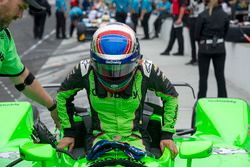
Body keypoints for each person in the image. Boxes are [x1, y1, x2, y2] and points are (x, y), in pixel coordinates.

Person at [56, 23, 179, 159]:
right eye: (106, 69)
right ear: (93, 61)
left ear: (137, 61)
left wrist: (167, 134)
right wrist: (68, 133)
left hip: (135, 138)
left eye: (122, 68)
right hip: (99, 137)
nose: (114, 76)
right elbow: (62, 96)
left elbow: (171, 96)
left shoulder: (147, 70)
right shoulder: (85, 69)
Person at [0, 0, 60, 128]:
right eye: (20, 7)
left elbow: (22, 78)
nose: (20, 16)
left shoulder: (4, 36)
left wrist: (53, 107)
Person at [195, 0, 229, 98]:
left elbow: (196, 35)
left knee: (203, 77)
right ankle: (223, 100)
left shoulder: (202, 15)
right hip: (220, 48)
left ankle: (201, 100)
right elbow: (226, 32)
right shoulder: (225, 15)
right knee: (220, 76)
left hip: (204, 49)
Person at [185, 0, 204, 65]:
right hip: (191, 19)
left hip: (198, 19)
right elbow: (188, 9)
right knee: (192, 41)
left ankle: (200, 59)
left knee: (199, 40)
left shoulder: (201, 1)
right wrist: (188, 9)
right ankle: (193, 59)